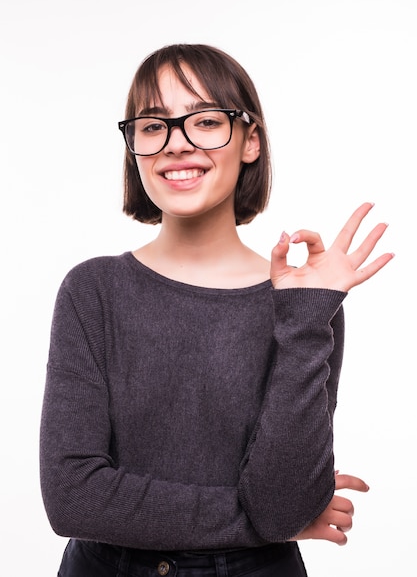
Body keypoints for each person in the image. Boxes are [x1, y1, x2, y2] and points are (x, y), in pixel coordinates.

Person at [40, 43, 393, 577]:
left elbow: (281, 499)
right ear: (134, 145)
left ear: (251, 141)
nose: (176, 145)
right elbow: (74, 498)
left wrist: (303, 318)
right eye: (153, 126)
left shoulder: (301, 305)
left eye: (205, 121)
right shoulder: (94, 291)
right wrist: (262, 522)